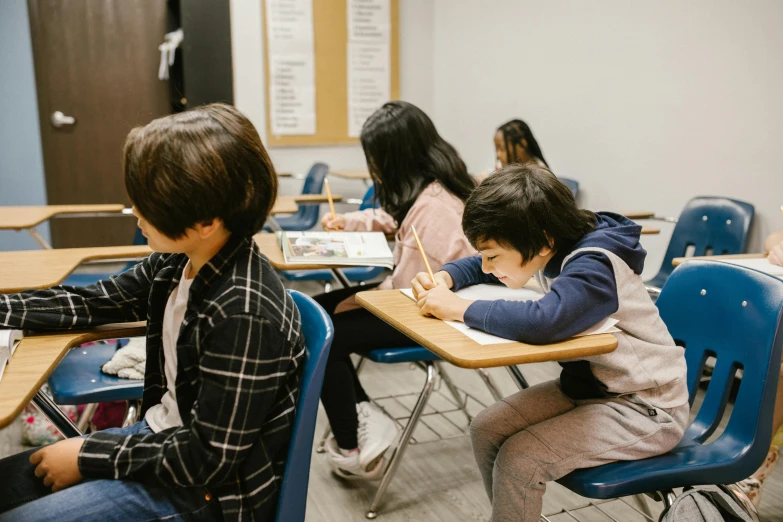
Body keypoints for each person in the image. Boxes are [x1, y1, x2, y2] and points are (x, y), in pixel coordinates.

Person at [0, 104, 304, 522]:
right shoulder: (181, 261)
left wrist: (89, 453)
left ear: (205, 220)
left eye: (147, 204)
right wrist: (4, 309)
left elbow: (206, 460)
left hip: (210, 494)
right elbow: (97, 301)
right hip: (161, 441)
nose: (135, 213)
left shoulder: (243, 312)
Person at [411, 164, 689, 522]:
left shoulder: (595, 266)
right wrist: (446, 276)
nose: (487, 264)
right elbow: (483, 264)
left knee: (520, 460)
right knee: (486, 428)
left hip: (647, 408)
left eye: (492, 255)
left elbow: (546, 320)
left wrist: (459, 308)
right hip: (593, 390)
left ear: (543, 241)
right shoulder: (552, 240)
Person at [317, 100, 477, 480]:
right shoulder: (428, 189)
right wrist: (349, 222)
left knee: (321, 333)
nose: (372, 167)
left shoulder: (436, 208)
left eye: (375, 157)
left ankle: (356, 440)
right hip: (417, 296)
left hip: (434, 314)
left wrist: (355, 300)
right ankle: (360, 415)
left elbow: (403, 292)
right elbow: (394, 218)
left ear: (395, 158)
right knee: (313, 311)